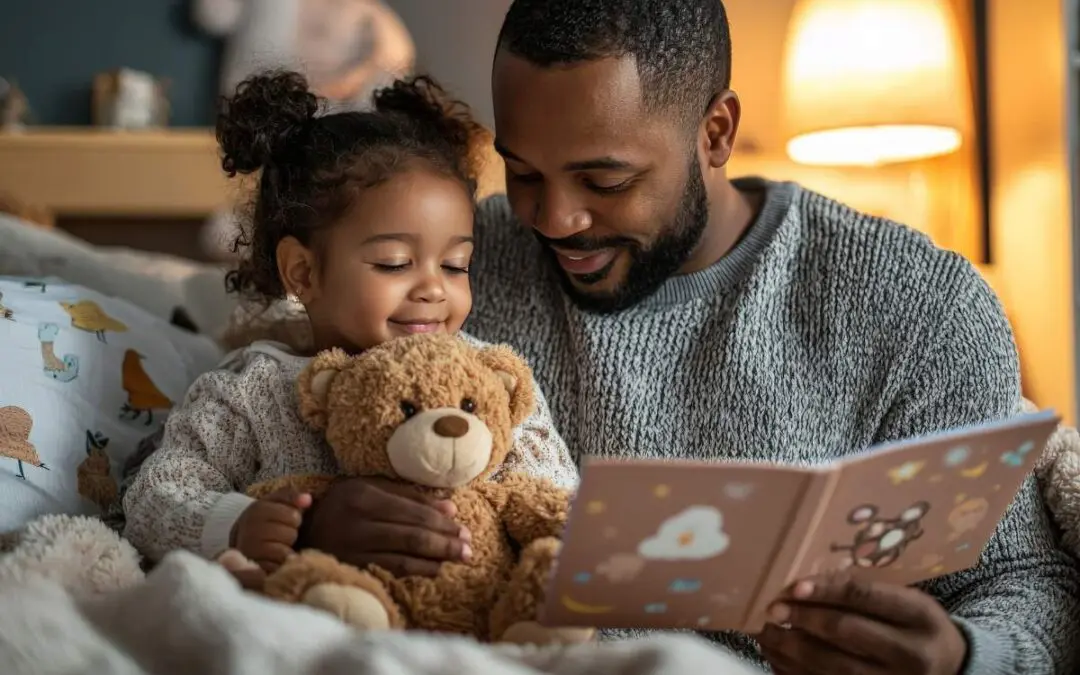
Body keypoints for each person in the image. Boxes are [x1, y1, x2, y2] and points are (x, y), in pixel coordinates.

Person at [298, 0, 1080, 672]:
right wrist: (316, 518)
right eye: (524, 173)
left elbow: (1028, 580)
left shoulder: (920, 307)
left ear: (715, 132)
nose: (554, 219)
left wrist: (963, 655)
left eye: (606, 182)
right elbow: (277, 419)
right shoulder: (448, 272)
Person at [121, 70, 577, 576]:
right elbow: (153, 498)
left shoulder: (492, 381)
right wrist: (239, 524)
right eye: (394, 263)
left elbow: (556, 499)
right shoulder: (250, 393)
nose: (432, 288)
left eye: (455, 265)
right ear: (305, 271)